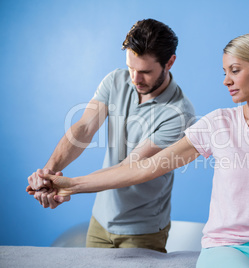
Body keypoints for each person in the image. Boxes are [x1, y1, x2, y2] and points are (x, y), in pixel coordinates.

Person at [29, 32, 249, 267]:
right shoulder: (217, 124)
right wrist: (72, 184)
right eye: (224, 71)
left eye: (234, 70)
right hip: (225, 245)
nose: (226, 80)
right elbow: (144, 167)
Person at [26, 19, 195, 252]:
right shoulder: (116, 80)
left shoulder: (180, 114)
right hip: (100, 221)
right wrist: (48, 173)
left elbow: (131, 168)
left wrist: (69, 187)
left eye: (145, 72)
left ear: (169, 62)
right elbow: (84, 128)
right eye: (131, 68)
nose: (135, 79)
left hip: (142, 231)